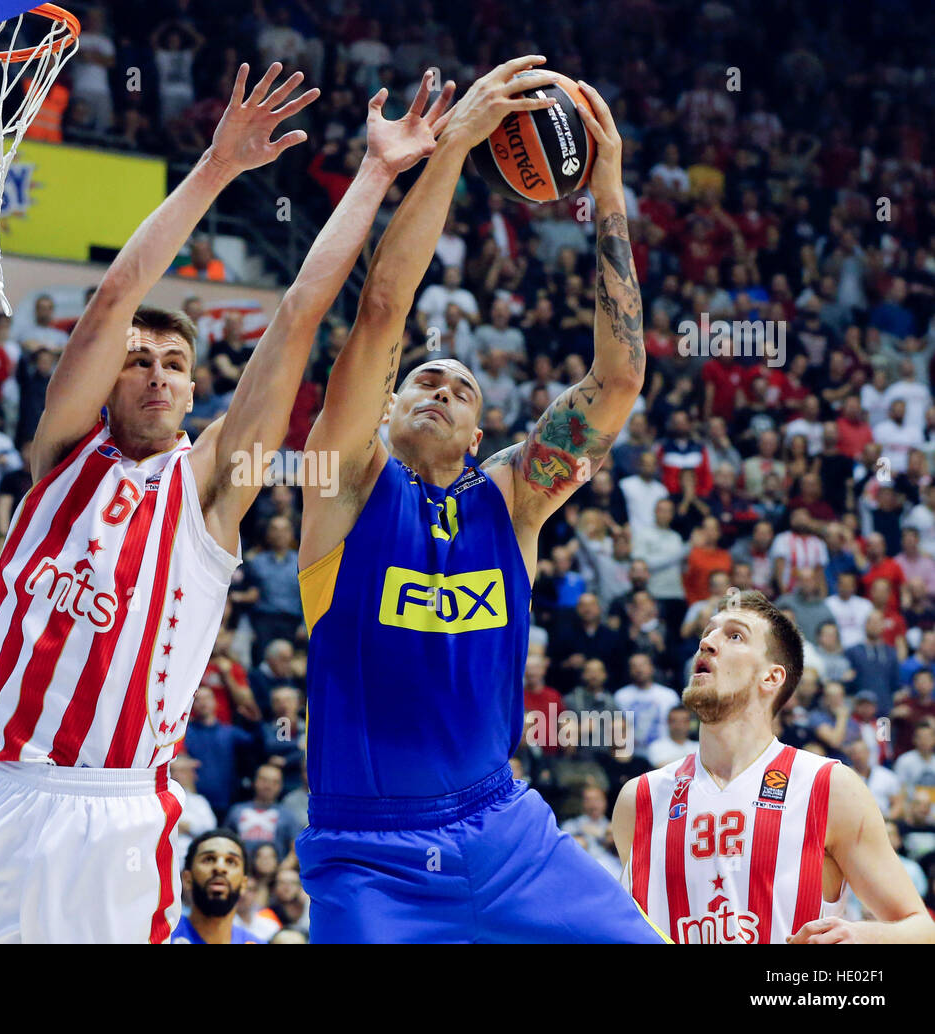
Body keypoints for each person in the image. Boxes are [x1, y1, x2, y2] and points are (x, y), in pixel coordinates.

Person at [0, 62, 448, 944]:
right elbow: (116, 296)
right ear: (109, 380)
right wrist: (214, 170)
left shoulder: (210, 485)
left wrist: (373, 175)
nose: (157, 373)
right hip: (2, 791)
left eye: (175, 363)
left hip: (117, 806)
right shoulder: (60, 454)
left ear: (195, 388)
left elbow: (296, 317)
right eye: (139, 360)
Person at [293, 58, 662, 943]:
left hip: (507, 833)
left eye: (461, 390)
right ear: (385, 409)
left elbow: (619, 380)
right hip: (369, 853)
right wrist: (452, 147)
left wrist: (605, 190)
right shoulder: (345, 484)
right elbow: (383, 309)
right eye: (423, 379)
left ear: (480, 433)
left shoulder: (511, 501)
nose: (440, 390)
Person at [613, 591, 935, 943]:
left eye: (734, 635)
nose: (707, 642)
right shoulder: (638, 799)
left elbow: (921, 928)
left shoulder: (827, 786)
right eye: (708, 632)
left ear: (771, 677)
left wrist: (861, 938)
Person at [170, 829, 263, 944]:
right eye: (209, 859)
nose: (220, 868)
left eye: (231, 861)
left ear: (244, 883)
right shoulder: (161, 936)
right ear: (187, 878)